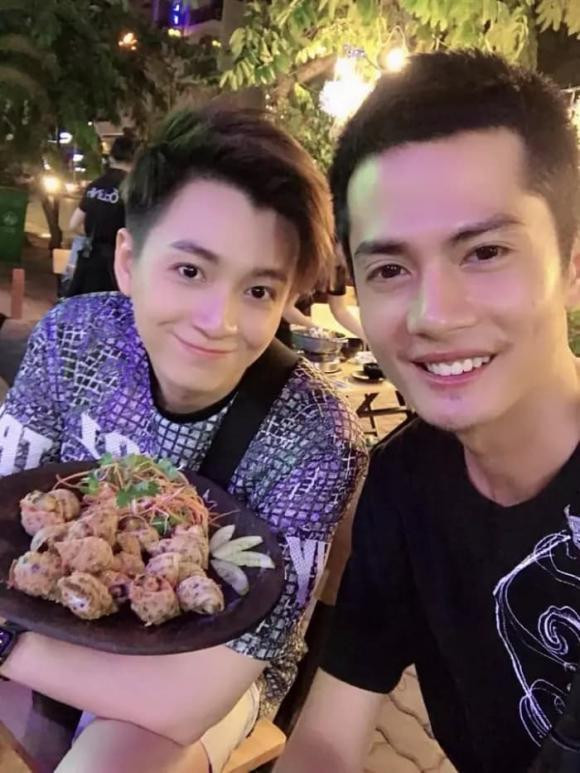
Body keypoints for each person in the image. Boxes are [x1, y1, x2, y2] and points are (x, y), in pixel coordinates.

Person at [0, 108, 367, 772]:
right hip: (52, 615)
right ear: (128, 260)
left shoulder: (314, 433)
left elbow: (189, 702)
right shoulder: (73, 339)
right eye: (191, 271)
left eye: (259, 289)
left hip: (201, 669)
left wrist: (9, 649)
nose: (217, 321)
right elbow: (6, 520)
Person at [276, 50, 580, 773]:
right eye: (389, 269)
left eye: (485, 252)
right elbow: (326, 739)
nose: (433, 314)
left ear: (572, 265)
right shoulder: (405, 485)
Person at [67, 134, 136, 295]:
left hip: (89, 261)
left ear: (111, 157)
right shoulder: (133, 190)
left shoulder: (95, 185)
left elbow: (73, 224)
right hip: (115, 269)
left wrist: (94, 233)